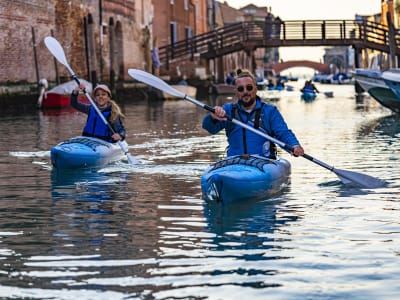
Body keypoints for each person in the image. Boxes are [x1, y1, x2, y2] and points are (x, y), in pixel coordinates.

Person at [202, 69, 304, 159]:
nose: (245, 92)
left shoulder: (270, 111)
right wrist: (212, 117)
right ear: (236, 92)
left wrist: (294, 145)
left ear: (256, 88)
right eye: (241, 89)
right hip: (235, 162)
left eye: (249, 87)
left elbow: (283, 133)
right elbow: (209, 128)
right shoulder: (228, 111)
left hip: (264, 162)